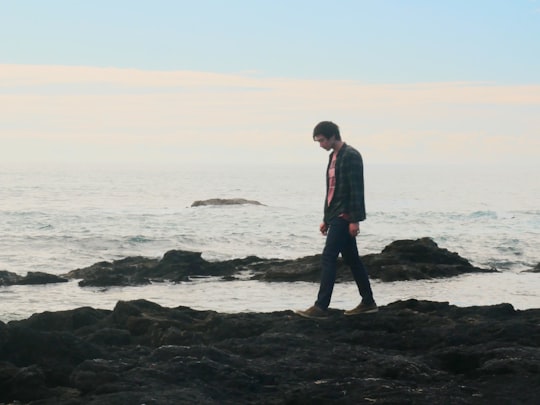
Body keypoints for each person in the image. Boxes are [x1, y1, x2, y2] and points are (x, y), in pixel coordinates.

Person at [296, 121, 377, 319]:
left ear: (333, 136)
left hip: (345, 216)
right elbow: (332, 191)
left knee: (328, 257)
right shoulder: (333, 156)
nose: (321, 145)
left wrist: (355, 220)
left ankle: (321, 306)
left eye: (322, 140)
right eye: (318, 141)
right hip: (335, 216)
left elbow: (356, 190)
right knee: (352, 260)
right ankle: (368, 302)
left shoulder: (351, 155)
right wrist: (326, 218)